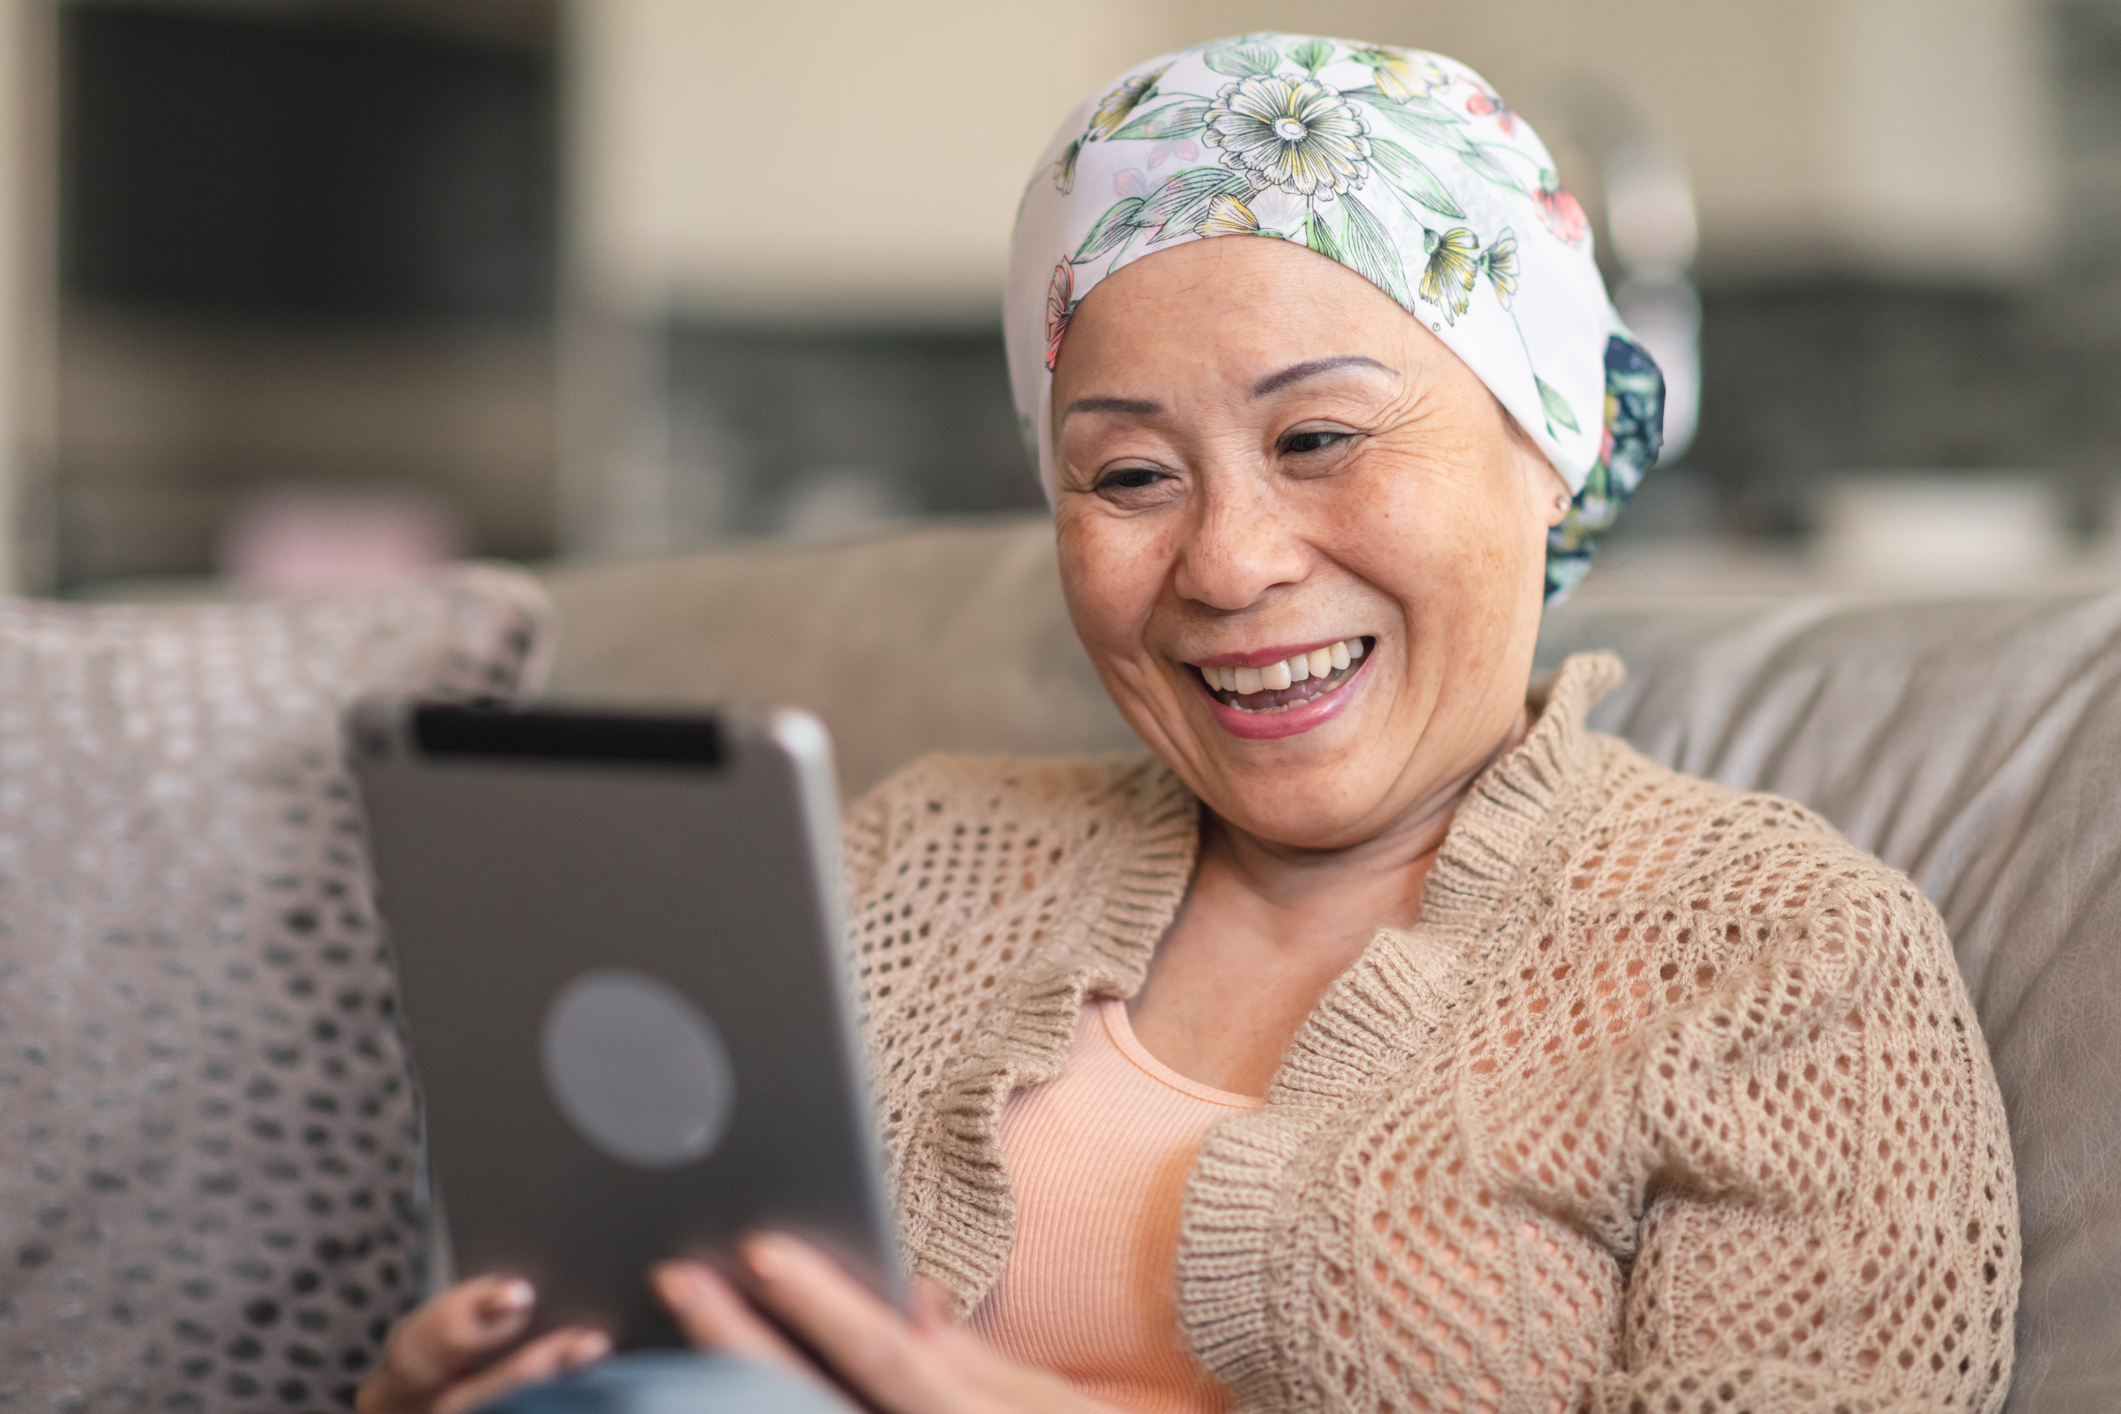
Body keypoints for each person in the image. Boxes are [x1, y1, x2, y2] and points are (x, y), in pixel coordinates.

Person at [361, 34, 2020, 1414]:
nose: (1226, 563)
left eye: (1318, 440)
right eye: (1130, 475)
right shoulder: (910, 855)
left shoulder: (1784, 958)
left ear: (1555, 442)